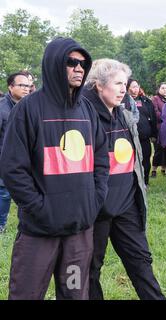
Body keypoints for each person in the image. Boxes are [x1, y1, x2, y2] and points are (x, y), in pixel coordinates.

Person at [0, 37, 110, 299]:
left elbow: (101, 160)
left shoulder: (87, 108)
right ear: (53, 65)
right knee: (26, 294)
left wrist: (93, 202)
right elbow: (13, 168)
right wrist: (40, 209)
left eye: (83, 63)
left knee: (74, 294)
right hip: (39, 233)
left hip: (78, 234)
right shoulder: (28, 109)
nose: (79, 68)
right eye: (71, 62)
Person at [82, 59, 165, 300]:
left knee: (141, 264)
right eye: (117, 83)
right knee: (89, 271)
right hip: (95, 210)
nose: (123, 89)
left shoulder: (125, 116)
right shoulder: (82, 117)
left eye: (124, 83)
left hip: (126, 206)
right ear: (99, 85)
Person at [0, 72, 31, 233]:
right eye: (21, 85)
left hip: (26, 160)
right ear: (10, 87)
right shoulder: (2, 108)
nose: (26, 89)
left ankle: (27, 223)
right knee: (4, 193)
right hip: (5, 159)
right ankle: (1, 224)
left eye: (28, 86)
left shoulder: (29, 107)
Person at [127, 78, 158, 186]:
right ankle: (132, 182)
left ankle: (145, 182)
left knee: (145, 160)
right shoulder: (123, 101)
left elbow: (153, 118)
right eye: (132, 87)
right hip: (129, 138)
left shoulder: (146, 101)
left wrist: (154, 134)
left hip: (144, 138)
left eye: (136, 86)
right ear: (127, 88)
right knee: (131, 161)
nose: (135, 89)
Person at [151, 82, 166, 178]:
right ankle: (153, 169)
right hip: (159, 127)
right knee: (158, 149)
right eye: (163, 88)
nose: (165, 89)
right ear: (159, 89)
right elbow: (155, 112)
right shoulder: (155, 99)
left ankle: (164, 169)